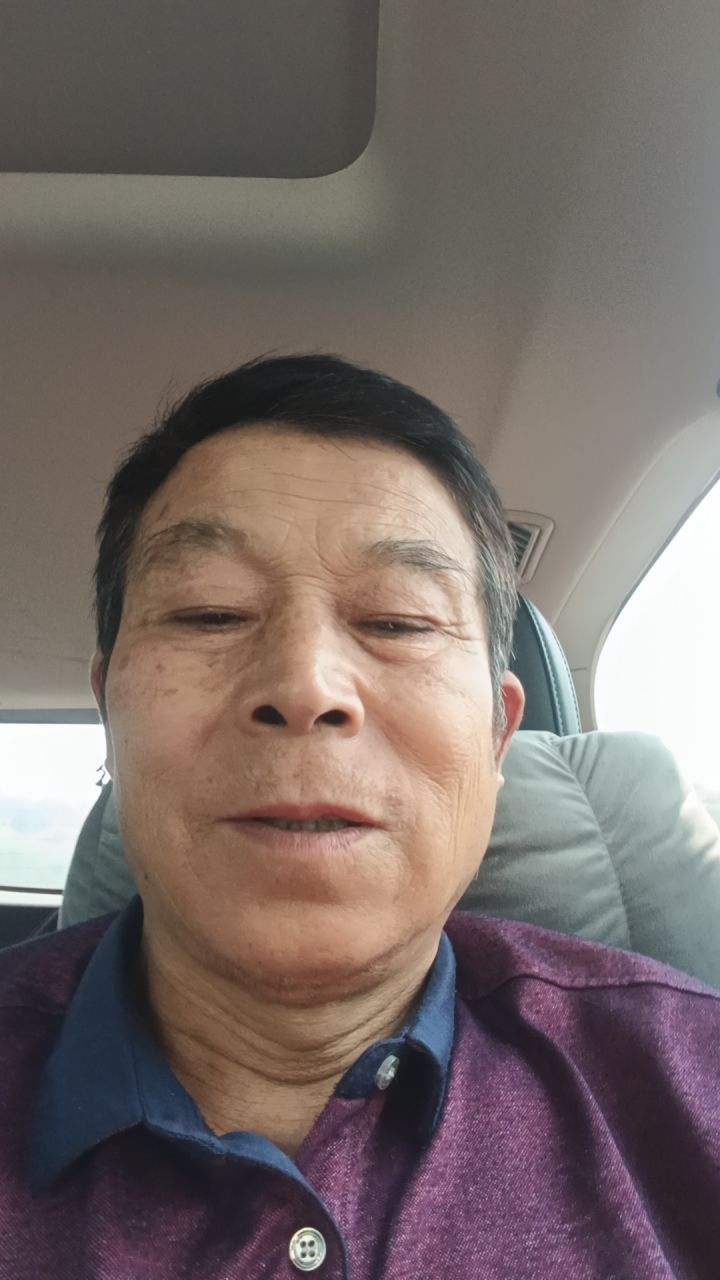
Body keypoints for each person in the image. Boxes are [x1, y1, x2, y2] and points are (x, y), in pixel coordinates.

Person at [1, 354, 718, 1279]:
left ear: (498, 736)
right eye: (211, 612)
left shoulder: (691, 1083)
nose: (306, 686)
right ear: (111, 713)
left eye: (398, 621)